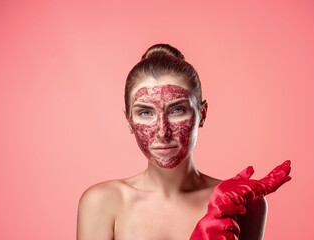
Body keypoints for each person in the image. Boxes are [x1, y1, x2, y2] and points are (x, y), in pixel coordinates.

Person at [76, 44, 291, 240]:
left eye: (177, 110)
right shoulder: (102, 203)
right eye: (145, 112)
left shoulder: (242, 205)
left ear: (202, 114)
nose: (163, 131)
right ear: (129, 120)